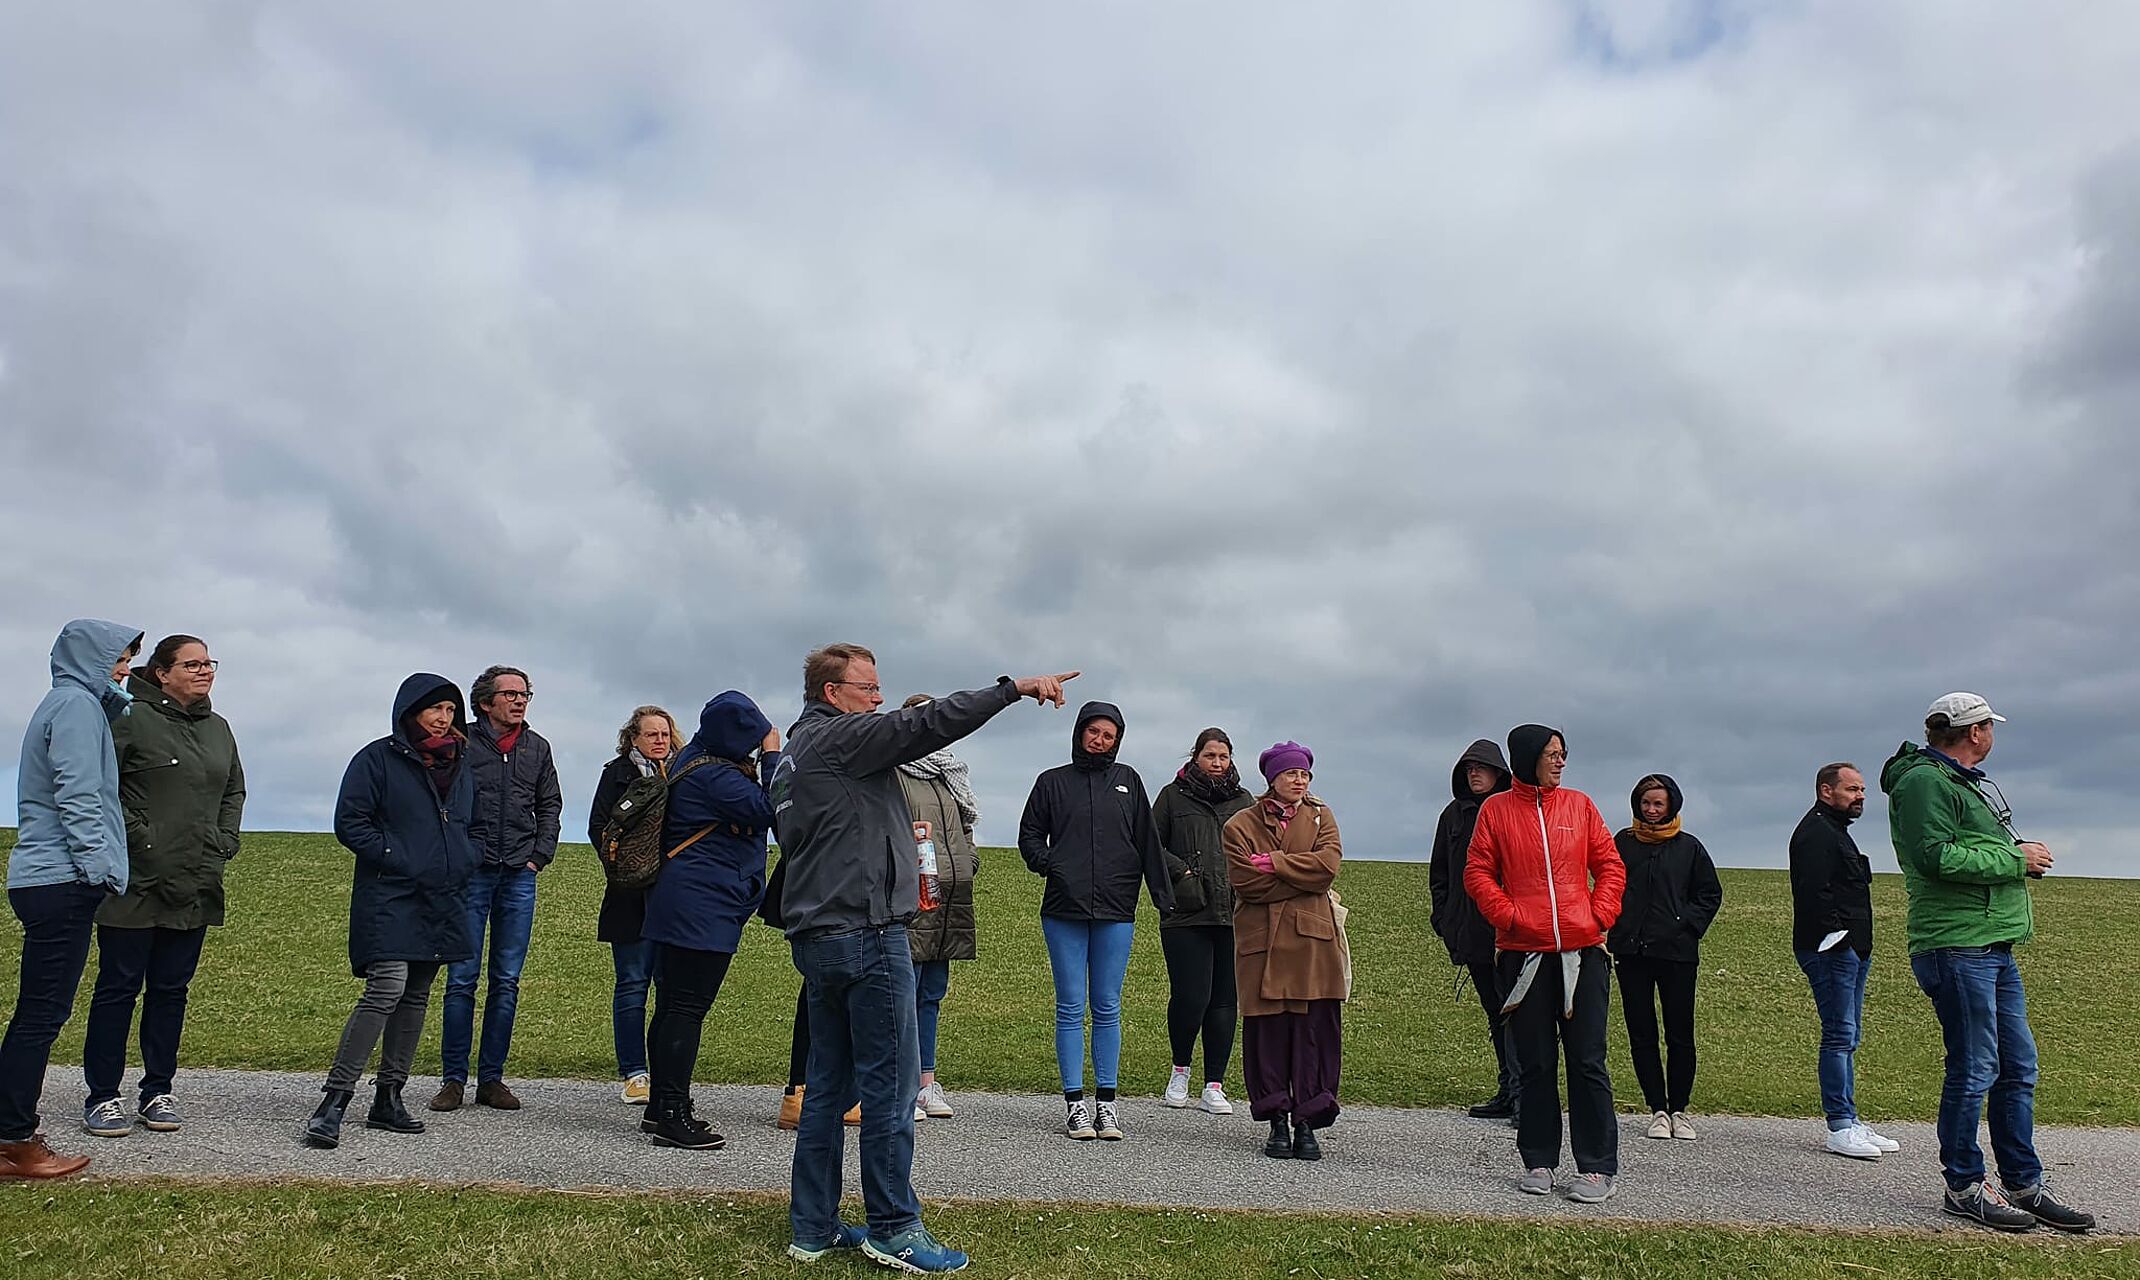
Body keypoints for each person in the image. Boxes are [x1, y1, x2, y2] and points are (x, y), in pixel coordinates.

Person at [772, 641, 1076, 1272]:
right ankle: (893, 1227)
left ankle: (814, 1227)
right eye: (868, 688)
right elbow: (925, 723)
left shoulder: (793, 754)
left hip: (820, 935)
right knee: (891, 1086)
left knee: (829, 1086)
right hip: (866, 932)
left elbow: (822, 836)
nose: (879, 698)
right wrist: (1014, 688)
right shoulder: (841, 739)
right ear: (834, 694)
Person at [1883, 693, 2093, 1233]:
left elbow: (1967, 846)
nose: (1991, 735)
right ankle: (1964, 1186)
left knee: (2018, 1067)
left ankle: (2023, 1184)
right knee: (1975, 1068)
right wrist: (2014, 859)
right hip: (1956, 943)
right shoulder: (1925, 781)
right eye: (1987, 726)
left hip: (1991, 941)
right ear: (1974, 732)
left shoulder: (1958, 780)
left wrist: (2016, 856)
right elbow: (1935, 856)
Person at [82, 635, 246, 1140]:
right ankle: (103, 1096)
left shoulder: (219, 728)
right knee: (118, 989)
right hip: (135, 882)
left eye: (208, 663)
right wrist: (142, 840)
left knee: (171, 991)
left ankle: (158, 1090)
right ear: (160, 673)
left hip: (196, 881)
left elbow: (234, 788)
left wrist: (224, 841)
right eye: (192, 664)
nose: (204, 671)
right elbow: (103, 786)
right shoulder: (127, 718)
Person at [307, 674, 479, 1149]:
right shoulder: (377, 759)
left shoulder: (462, 764)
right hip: (390, 893)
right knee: (386, 988)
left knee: (417, 995)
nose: (443, 719)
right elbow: (351, 822)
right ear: (410, 712)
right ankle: (334, 1101)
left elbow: (475, 823)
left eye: (450, 709)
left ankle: (390, 1096)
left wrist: (465, 856)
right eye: (434, 709)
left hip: (442, 897)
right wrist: (399, 858)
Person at [1, 619, 141, 1181]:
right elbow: (78, 791)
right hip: (62, 878)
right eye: (119, 658)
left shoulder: (68, 704)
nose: (126, 667)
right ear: (91, 657)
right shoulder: (76, 707)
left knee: (36, 1012)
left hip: (44, 879)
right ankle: (13, 1142)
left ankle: (12, 1131)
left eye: (129, 657)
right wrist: (98, 868)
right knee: (41, 1015)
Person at [1464, 724, 1625, 1204]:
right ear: (1528, 756)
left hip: (1584, 954)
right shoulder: (1496, 810)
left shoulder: (1579, 805)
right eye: (1552, 754)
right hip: (1522, 956)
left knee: (1588, 1060)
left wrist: (1599, 914)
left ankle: (1596, 1167)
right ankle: (1538, 1160)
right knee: (1533, 1062)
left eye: (1563, 754)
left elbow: (1611, 865)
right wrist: (1509, 916)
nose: (1560, 762)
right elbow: (1477, 870)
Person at [1017, 701, 1174, 1143]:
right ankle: (1075, 1106)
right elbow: (1029, 835)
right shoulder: (1052, 783)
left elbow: (1148, 841)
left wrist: (1163, 896)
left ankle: (1107, 1104)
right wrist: (1052, 864)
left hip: (1116, 908)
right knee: (1070, 1006)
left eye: (1109, 735)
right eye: (1094, 732)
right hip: (1063, 909)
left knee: (1107, 1006)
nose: (1100, 741)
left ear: (1117, 740)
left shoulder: (1129, 782)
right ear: (1080, 732)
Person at [638, 691, 781, 1150]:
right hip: (702, 903)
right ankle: (674, 1114)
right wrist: (774, 758)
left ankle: (661, 1105)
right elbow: (769, 809)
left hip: (683, 899)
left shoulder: (691, 759)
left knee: (672, 1006)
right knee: (686, 1009)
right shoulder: (716, 775)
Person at [433, 665, 560, 1114]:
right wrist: (460, 855)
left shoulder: (537, 747)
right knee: (462, 979)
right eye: (510, 694)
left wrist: (538, 855)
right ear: (485, 702)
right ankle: (452, 1080)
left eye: (524, 693)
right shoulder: (461, 743)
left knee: (506, 980)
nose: (520, 700)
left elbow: (550, 805)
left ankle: (491, 1079)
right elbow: (441, 799)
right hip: (473, 873)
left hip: (519, 875)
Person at [1224, 741, 1345, 1162]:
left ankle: (1308, 1120)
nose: (1300, 780)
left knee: (1314, 1033)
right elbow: (1246, 883)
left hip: (1313, 944)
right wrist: (1301, 871)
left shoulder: (1321, 816)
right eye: (1292, 773)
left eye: (1305, 774)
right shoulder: (1239, 824)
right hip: (1262, 945)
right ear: (1272, 778)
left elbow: (1327, 869)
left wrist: (1274, 862)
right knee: (1268, 1035)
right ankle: (1277, 1118)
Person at [1790, 762, 1898, 1161]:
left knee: (1849, 1036)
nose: (1861, 797)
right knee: (1838, 1035)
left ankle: (1851, 1120)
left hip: (1852, 951)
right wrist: (1840, 941)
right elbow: (1814, 894)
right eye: (1852, 789)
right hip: (1832, 952)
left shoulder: (1836, 833)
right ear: (1826, 791)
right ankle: (1839, 1125)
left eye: (1862, 790)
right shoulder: (1816, 834)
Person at [1608, 773, 1722, 1142]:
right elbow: (1606, 886)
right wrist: (1615, 924)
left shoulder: (1690, 847)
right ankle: (1656, 1108)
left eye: (1658, 803)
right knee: (1641, 1033)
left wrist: (1684, 925)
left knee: (1680, 1034)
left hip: (1677, 955)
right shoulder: (1622, 844)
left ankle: (1680, 1110)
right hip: (1631, 951)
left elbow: (1709, 893)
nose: (1652, 810)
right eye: (1646, 803)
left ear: (1672, 804)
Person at [1152, 728, 1253, 1116]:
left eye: (1223, 757)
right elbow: (1150, 844)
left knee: (1225, 999)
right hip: (1186, 913)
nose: (1216, 763)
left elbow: (1259, 848)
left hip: (1234, 914)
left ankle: (1214, 1084)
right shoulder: (1172, 797)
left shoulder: (1244, 801)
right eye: (1210, 755)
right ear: (1195, 757)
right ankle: (1180, 1070)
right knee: (1191, 997)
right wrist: (1182, 874)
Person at [586, 705, 679, 1106]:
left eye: (665, 734)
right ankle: (634, 1072)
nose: (659, 741)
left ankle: (667, 1073)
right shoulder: (617, 774)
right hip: (629, 897)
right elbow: (597, 827)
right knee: (632, 984)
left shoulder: (683, 774)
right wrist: (626, 867)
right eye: (651, 734)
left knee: (672, 989)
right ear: (633, 739)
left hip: (674, 898)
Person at [896, 694, 983, 1122]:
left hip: (950, 898)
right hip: (912, 899)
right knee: (904, 993)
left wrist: (969, 860)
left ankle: (927, 1083)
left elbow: (966, 826)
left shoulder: (950, 774)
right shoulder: (894, 772)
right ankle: (903, 1084)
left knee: (931, 994)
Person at [1427, 739, 1515, 1121]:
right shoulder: (1454, 815)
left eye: (1481, 767)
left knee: (1520, 1012)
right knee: (1495, 1012)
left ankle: (1526, 1092)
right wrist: (1445, 920)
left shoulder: (1514, 810)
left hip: (1511, 931)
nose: (1474, 773)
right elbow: (1440, 872)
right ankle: (1508, 1087)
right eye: (1468, 768)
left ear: (1499, 771)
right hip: (1471, 932)